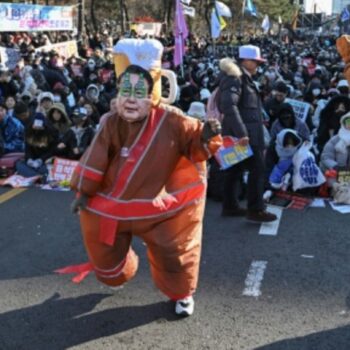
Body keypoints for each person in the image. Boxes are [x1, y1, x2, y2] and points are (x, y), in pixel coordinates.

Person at [60, 59, 222, 317]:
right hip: (113, 207)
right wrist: (84, 193)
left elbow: (197, 145)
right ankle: (121, 270)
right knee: (103, 252)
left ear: (152, 96)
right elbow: (96, 157)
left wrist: (205, 135)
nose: (131, 100)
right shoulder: (111, 122)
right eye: (125, 92)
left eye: (138, 93)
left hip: (159, 209)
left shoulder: (173, 120)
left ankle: (182, 294)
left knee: (176, 253)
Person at [217, 46, 277, 222]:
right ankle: (256, 209)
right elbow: (228, 105)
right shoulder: (235, 78)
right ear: (246, 60)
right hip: (245, 135)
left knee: (234, 171)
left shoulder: (241, 78)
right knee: (257, 170)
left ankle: (230, 206)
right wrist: (242, 133)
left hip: (243, 133)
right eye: (256, 61)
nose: (258, 64)